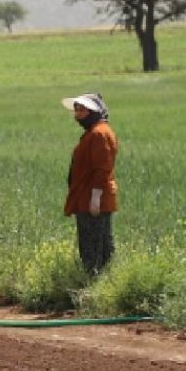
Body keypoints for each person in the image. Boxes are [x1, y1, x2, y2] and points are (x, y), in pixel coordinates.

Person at [62, 93, 118, 274]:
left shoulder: (99, 134)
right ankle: (102, 281)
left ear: (93, 112)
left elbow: (102, 168)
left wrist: (95, 197)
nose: (77, 114)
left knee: (92, 247)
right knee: (100, 245)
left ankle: (94, 283)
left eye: (82, 110)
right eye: (76, 110)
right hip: (87, 198)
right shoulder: (94, 133)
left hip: (92, 200)